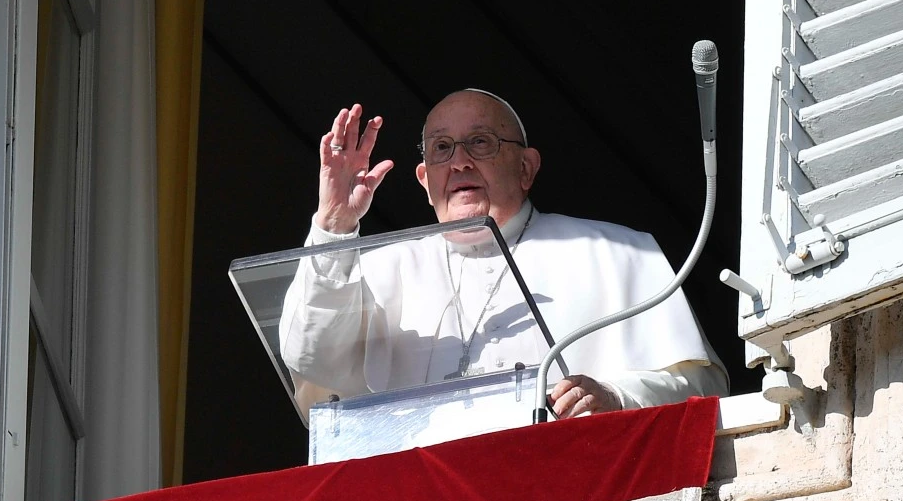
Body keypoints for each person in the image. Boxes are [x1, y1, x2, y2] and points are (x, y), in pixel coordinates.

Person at [278, 91, 726, 418]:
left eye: (480, 143)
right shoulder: (380, 267)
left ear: (526, 167)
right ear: (424, 179)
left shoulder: (615, 252)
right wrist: (334, 226)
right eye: (442, 149)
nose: (459, 163)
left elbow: (701, 388)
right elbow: (311, 358)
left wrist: (615, 398)